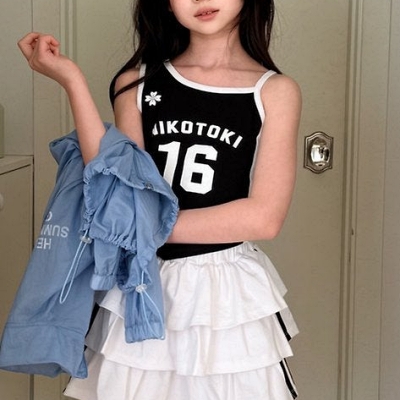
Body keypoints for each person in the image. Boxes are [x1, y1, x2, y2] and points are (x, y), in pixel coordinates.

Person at [18, 0, 302, 398]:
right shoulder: (136, 84)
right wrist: (72, 80)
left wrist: (137, 226)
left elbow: (264, 218)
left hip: (223, 290)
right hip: (141, 281)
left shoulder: (274, 91)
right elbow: (113, 187)